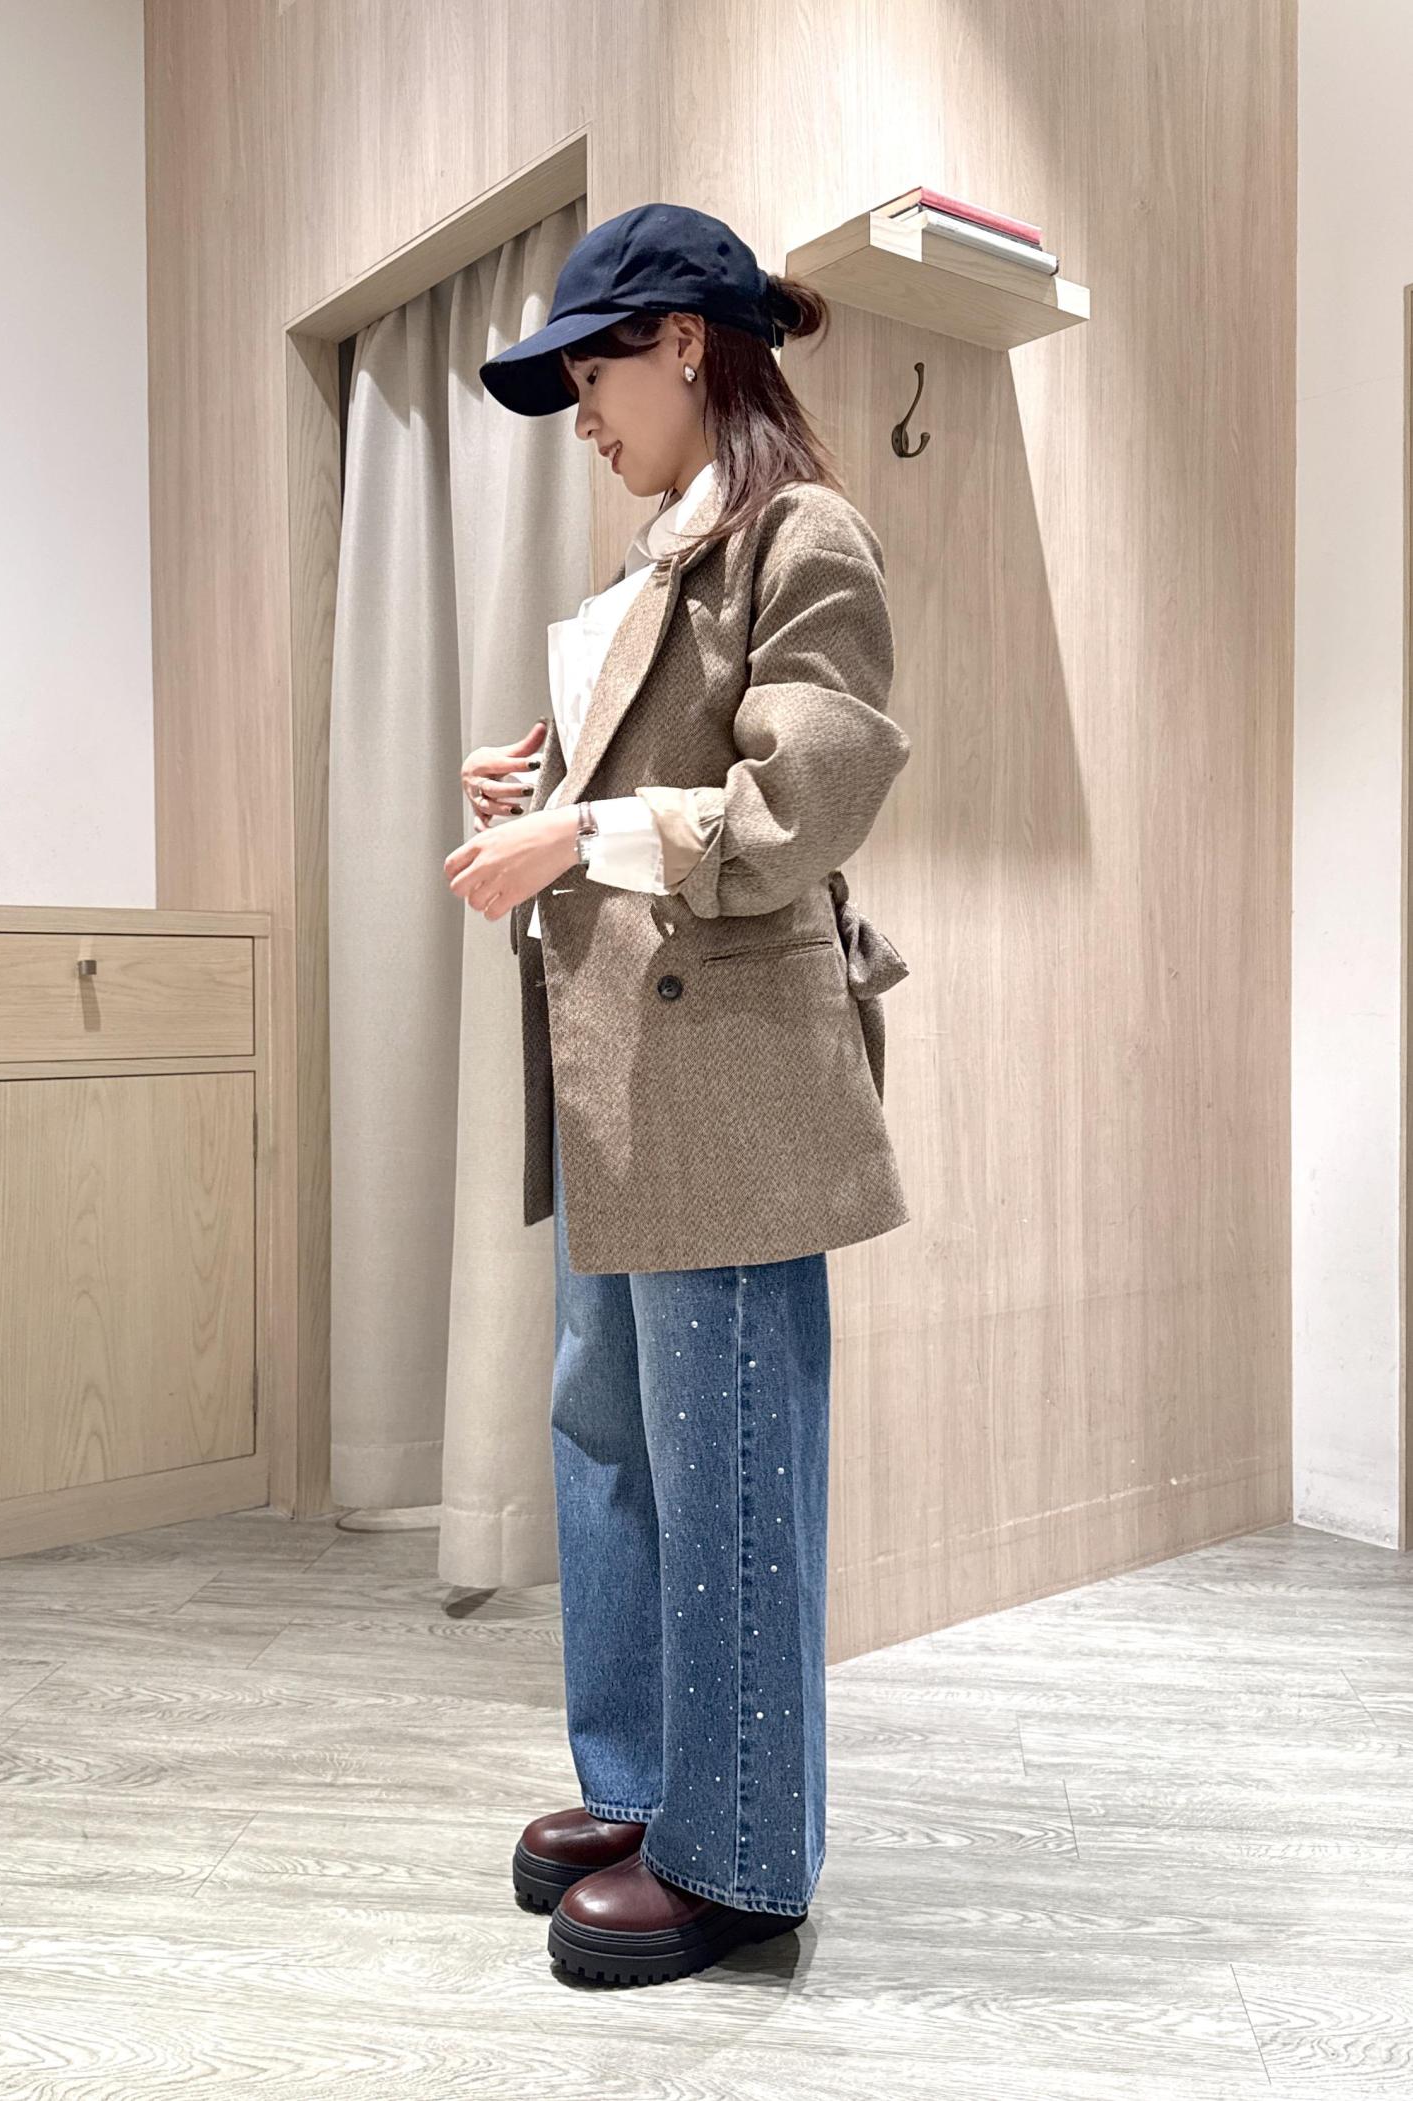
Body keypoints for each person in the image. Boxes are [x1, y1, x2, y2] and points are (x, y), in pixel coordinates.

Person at [449, 202, 911, 1987]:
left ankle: (739, 1854)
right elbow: (636, 795)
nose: (581, 413)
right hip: (618, 1074)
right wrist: (527, 796)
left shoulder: (804, 536)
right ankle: (649, 1787)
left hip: (722, 1086)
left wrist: (583, 829)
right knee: (616, 1445)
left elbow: (802, 803)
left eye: (593, 372)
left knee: (728, 1463)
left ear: (687, 344)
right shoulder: (657, 565)